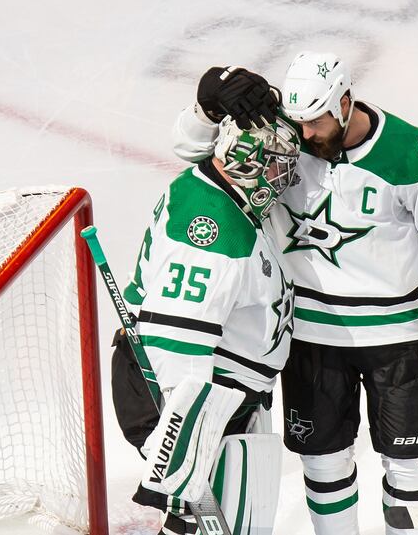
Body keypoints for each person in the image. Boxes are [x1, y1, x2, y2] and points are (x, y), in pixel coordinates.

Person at [173, 52, 418, 535]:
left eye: (315, 120)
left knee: (412, 468)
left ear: (344, 103)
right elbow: (197, 159)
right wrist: (206, 110)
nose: (304, 135)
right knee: (323, 463)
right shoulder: (284, 135)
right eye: (298, 121)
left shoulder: (410, 153)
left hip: (397, 337)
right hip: (310, 338)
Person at [113, 117, 300, 535]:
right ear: (245, 162)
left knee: (234, 521)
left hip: (225, 399)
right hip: (195, 399)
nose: (282, 178)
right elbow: (177, 342)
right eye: (274, 166)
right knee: (197, 520)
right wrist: (181, 444)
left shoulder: (208, 185)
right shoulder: (219, 235)